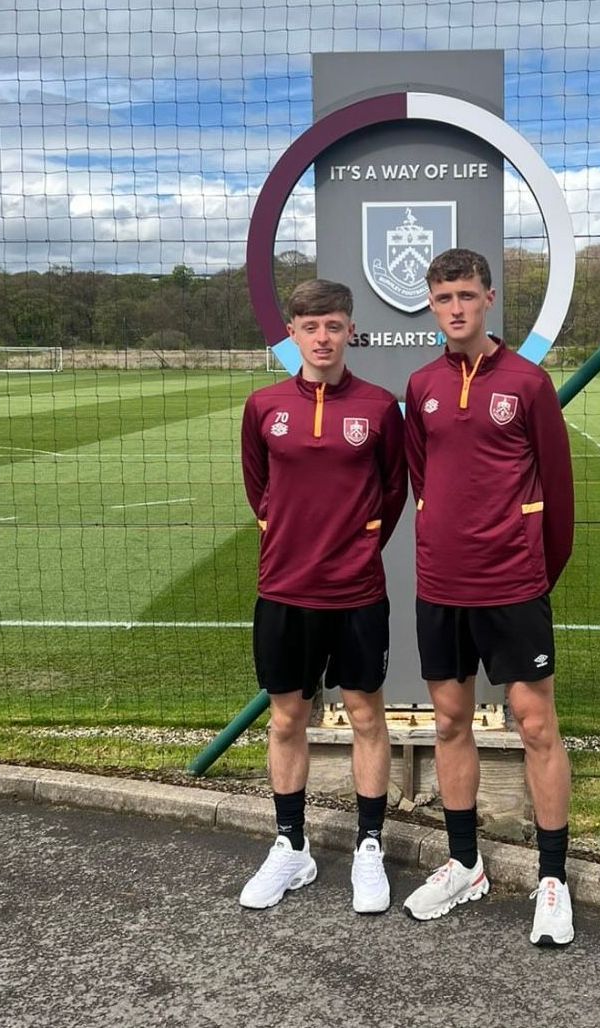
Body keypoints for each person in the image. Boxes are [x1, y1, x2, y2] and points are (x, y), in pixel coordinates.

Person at [402, 249, 575, 945]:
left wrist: (534, 572)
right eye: (444, 297)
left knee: (535, 725)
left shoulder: (528, 383)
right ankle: (465, 863)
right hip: (442, 585)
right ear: (432, 303)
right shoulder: (420, 385)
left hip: (512, 585)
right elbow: (422, 473)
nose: (456, 308)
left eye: (467, 295)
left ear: (489, 298)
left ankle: (554, 879)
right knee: (448, 721)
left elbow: (558, 497)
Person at [239, 279, 407, 915]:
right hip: (284, 588)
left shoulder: (378, 407)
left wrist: (358, 544)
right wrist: (293, 536)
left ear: (349, 330)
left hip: (358, 591)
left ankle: (369, 846)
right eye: (311, 327)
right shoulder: (263, 405)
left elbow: (392, 493)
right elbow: (259, 487)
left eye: (334, 326)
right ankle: (291, 846)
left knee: (366, 715)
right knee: (287, 717)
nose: (323, 338)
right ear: (293, 333)